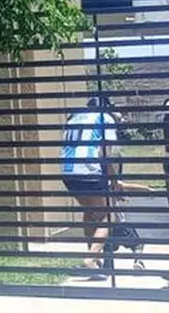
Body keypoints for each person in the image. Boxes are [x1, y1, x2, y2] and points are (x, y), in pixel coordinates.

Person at [61, 97, 120, 276]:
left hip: (68, 170)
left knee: (89, 212)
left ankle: (94, 259)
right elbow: (104, 153)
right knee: (107, 217)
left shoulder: (74, 118)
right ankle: (91, 258)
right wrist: (114, 178)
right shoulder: (105, 118)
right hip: (89, 170)